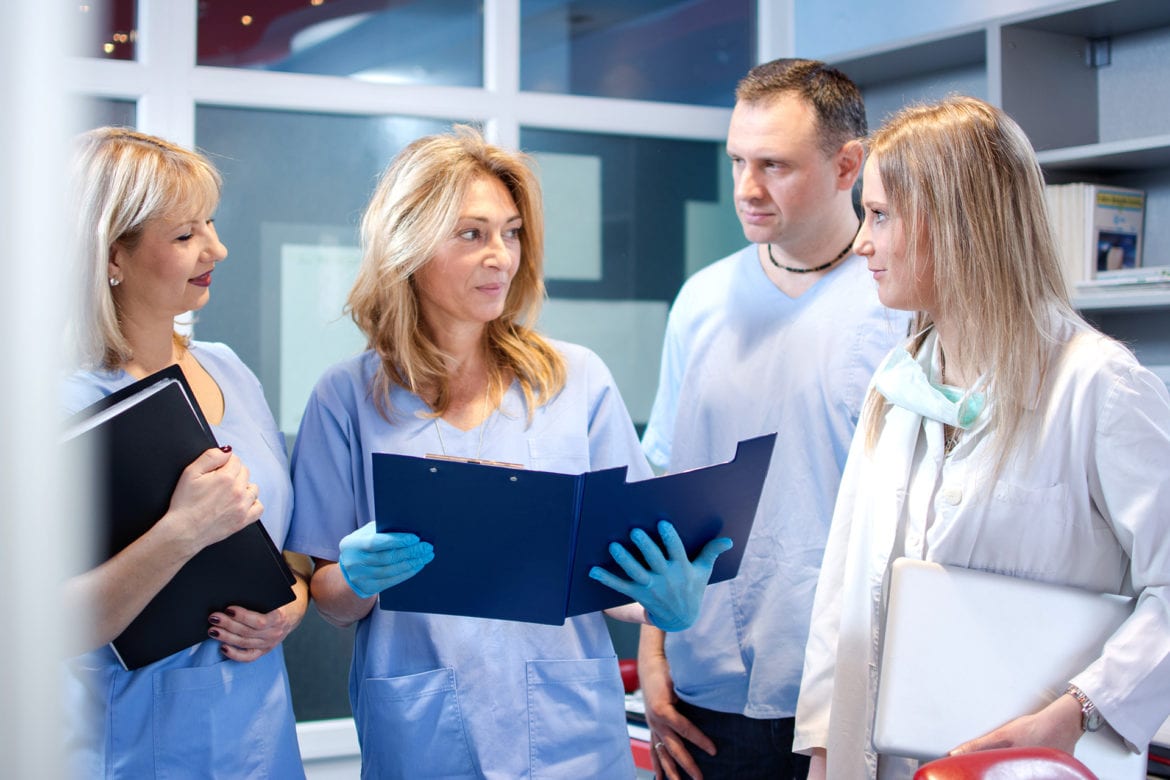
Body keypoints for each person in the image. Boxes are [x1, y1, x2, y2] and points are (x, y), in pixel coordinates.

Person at [284, 125, 731, 779]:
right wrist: (354, 576)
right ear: (407, 243)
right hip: (426, 732)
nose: (502, 256)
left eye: (511, 232)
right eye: (472, 233)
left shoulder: (576, 379)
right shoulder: (346, 397)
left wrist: (665, 604)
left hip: (569, 731)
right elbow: (328, 598)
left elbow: (620, 570)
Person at [793, 95, 1170, 779]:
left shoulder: (1098, 386)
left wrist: (1077, 709)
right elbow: (844, 585)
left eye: (879, 216)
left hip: (1035, 761)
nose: (862, 244)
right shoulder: (899, 382)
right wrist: (824, 748)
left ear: (959, 223)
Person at [638, 59, 909, 779]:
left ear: (848, 163)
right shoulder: (701, 301)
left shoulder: (899, 307)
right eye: (737, 161)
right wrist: (653, 651)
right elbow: (670, 487)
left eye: (774, 165)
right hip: (702, 691)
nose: (746, 190)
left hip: (846, 690)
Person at [61, 127, 310, 778]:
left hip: (258, 737)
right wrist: (182, 531)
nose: (217, 249)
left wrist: (288, 608)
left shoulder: (230, 371)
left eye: (211, 225)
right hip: (123, 743)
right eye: (184, 236)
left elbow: (286, 557)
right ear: (110, 256)